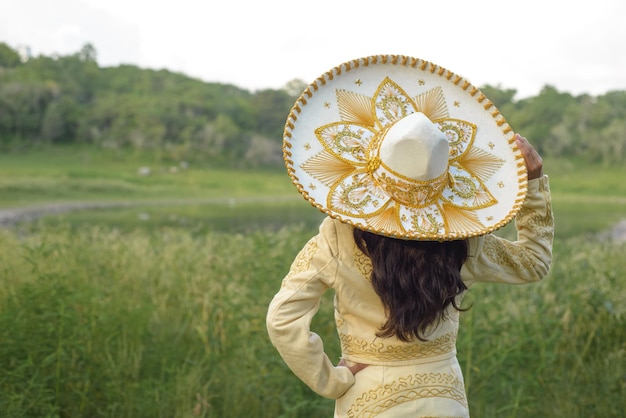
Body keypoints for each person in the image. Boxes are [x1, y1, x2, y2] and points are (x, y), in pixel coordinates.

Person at [266, 55, 554, 417]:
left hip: (366, 398)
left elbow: (282, 319)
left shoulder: (337, 237)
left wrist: (332, 381)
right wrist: (534, 186)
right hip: (445, 400)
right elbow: (534, 263)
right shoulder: (464, 239)